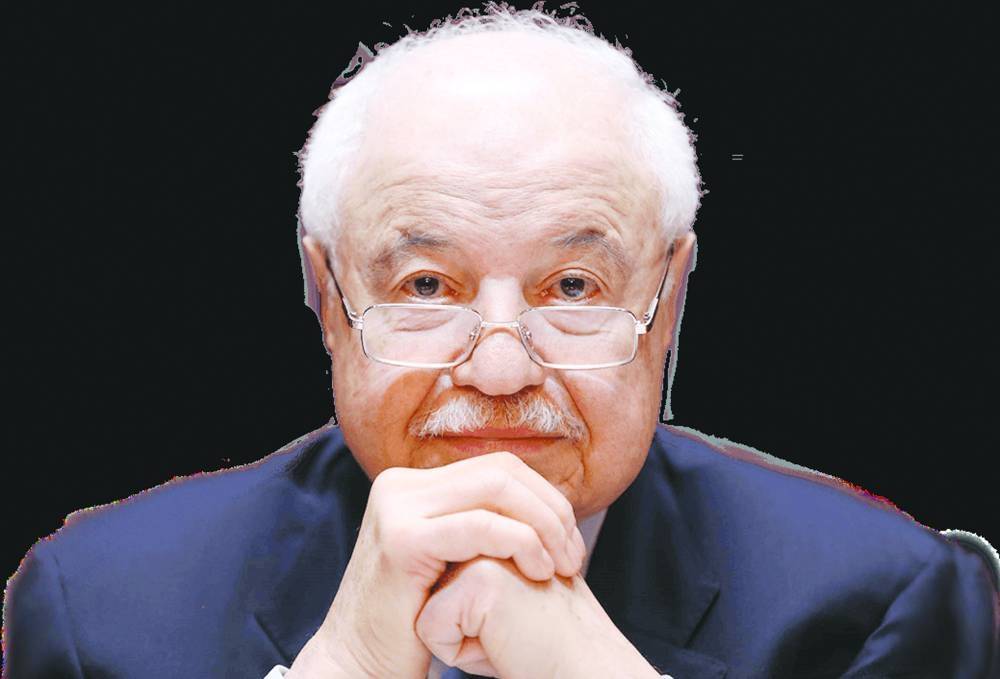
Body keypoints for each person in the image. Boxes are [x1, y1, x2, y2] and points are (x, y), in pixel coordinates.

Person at [4, 5, 998, 679]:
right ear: (327, 298)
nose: (499, 366)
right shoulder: (103, 612)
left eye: (573, 287)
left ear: (668, 300)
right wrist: (346, 667)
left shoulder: (878, 606)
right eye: (425, 286)